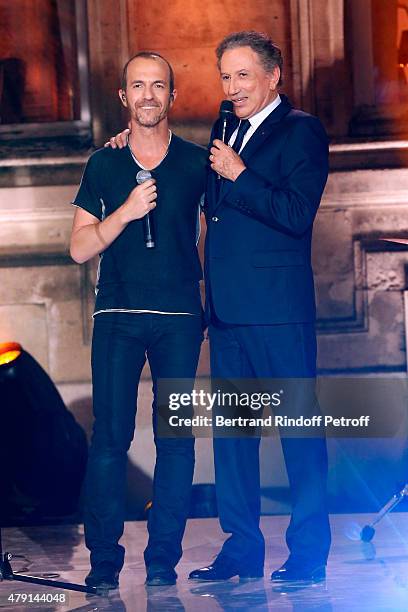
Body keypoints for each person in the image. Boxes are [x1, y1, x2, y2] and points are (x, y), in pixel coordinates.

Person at [108, 31, 331, 584]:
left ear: (273, 77)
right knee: (234, 439)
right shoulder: (223, 128)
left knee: (300, 433)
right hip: (226, 312)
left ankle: (308, 552)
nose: (232, 89)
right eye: (225, 77)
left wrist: (241, 175)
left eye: (243, 77)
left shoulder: (301, 131)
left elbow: (297, 211)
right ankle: (241, 549)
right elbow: (193, 187)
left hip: (279, 311)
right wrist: (133, 143)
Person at [70, 52, 207, 589]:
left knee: (176, 440)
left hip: (178, 317)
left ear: (171, 96)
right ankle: (104, 564)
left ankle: (160, 564)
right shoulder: (104, 164)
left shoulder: (198, 163)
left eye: (159, 86)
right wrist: (124, 211)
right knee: (110, 437)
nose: (148, 95)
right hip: (119, 317)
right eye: (137, 86)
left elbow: (211, 237)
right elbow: (80, 248)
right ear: (124, 98)